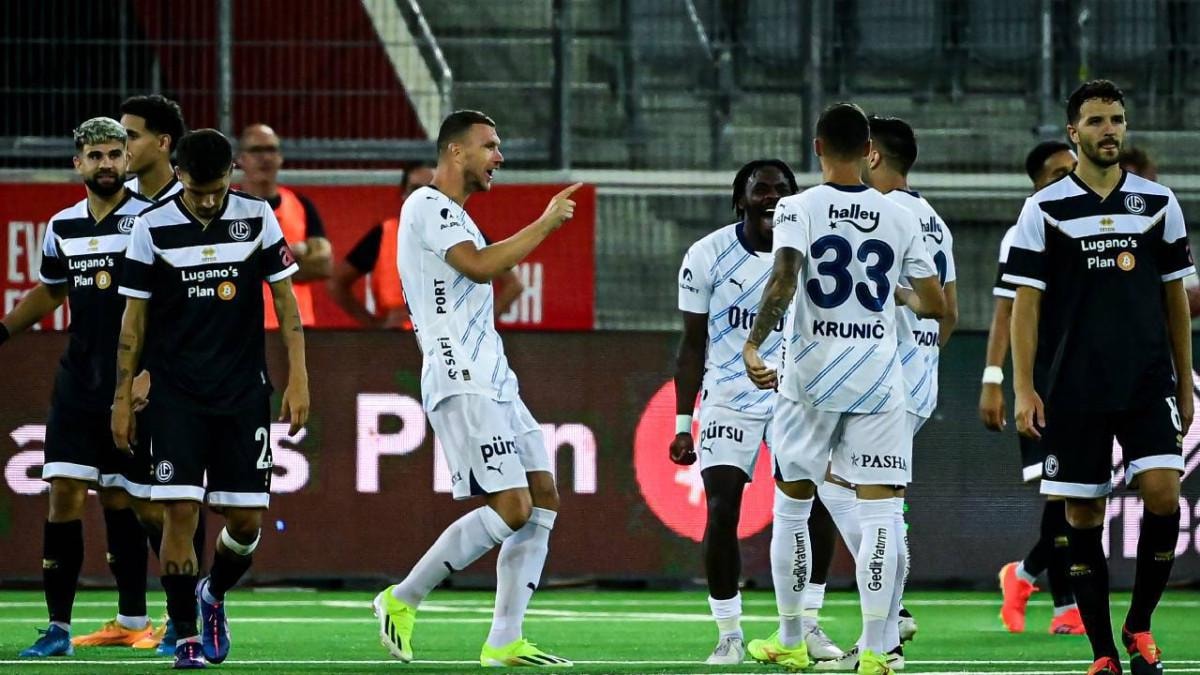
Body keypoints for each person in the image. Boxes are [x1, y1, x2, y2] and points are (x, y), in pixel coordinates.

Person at [742, 103, 944, 675]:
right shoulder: (900, 216)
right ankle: (878, 650)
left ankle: (790, 638)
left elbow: (784, 278)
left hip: (810, 374)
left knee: (792, 507)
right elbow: (934, 303)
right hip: (878, 377)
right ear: (868, 152)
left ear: (817, 147)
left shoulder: (797, 207)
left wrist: (754, 344)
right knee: (881, 515)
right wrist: (894, 295)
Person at [372, 110, 576, 668]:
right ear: (455, 151)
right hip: (458, 375)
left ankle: (505, 638)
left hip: (496, 378)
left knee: (543, 497)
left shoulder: (458, 216)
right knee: (512, 506)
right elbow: (480, 266)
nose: (498, 157)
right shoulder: (425, 204)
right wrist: (546, 223)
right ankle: (402, 598)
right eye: (490, 146)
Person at [1007, 80, 1192, 675]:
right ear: (1074, 132)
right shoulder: (1044, 209)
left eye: (1116, 119)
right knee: (1082, 515)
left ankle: (1139, 625)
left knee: (1163, 494)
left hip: (1146, 382)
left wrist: (1182, 381)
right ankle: (1103, 653)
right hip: (1074, 388)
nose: (1108, 130)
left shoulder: (1158, 202)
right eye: (1096, 121)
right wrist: (1023, 386)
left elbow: (1175, 299)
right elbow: (1025, 305)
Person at [112, 128, 310, 669]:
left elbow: (286, 302)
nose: (207, 201)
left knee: (245, 522)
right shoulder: (151, 226)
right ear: (178, 175)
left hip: (243, 393)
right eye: (197, 191)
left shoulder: (257, 216)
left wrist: (298, 377)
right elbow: (133, 320)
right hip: (175, 395)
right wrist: (122, 397)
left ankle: (213, 591)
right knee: (180, 513)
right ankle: (185, 636)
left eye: (217, 189)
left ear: (230, 176)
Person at [672, 159, 846, 665]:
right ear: (740, 200)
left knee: (815, 505)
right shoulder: (706, 255)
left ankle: (807, 624)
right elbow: (691, 345)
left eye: (782, 189)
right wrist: (683, 423)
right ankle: (728, 634)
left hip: (797, 397)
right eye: (761, 189)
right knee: (722, 507)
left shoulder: (816, 254)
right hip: (728, 398)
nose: (772, 197)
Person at [6, 118, 154, 658]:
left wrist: (151, 372)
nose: (106, 164)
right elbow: (51, 290)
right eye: (95, 156)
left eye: (114, 154)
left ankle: (144, 619)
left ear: (127, 160)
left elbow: (168, 300)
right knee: (64, 492)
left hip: (130, 379)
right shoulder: (62, 225)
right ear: (78, 164)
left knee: (127, 498)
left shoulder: (149, 219)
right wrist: (3, 330)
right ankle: (58, 629)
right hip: (79, 379)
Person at [984, 140, 1085, 637]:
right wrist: (994, 378)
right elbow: (1006, 310)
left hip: (1089, 374)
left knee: (1080, 493)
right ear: (1036, 185)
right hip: (1043, 377)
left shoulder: (1094, 224)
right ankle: (1066, 606)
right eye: (1056, 174)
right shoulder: (1023, 232)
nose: (1068, 180)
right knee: (1062, 493)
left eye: (1073, 170)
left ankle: (1023, 576)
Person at [328, 165, 524, 328]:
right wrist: (373, 326)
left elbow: (513, 285)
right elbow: (336, 283)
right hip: (395, 343)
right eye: (415, 189)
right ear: (404, 194)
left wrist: (477, 328)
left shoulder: (464, 231)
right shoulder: (385, 233)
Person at [237, 123, 332, 327]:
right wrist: (293, 254)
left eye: (271, 150)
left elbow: (323, 266)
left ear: (280, 157)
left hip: (297, 326)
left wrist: (256, 264)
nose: (265, 157)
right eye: (256, 150)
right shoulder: (226, 208)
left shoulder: (301, 205)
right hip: (243, 328)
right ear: (240, 159)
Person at [121, 94, 187, 202]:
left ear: (162, 143)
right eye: (121, 136)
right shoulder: (116, 196)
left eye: (132, 136)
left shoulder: (190, 199)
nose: (121, 145)